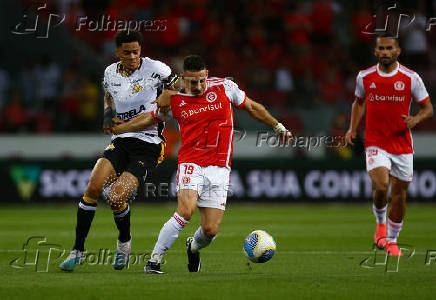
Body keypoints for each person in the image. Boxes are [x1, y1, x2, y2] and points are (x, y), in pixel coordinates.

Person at [111, 55, 292, 273]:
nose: (197, 86)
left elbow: (252, 107)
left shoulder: (225, 87)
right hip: (191, 162)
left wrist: (277, 126)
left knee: (210, 230)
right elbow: (150, 118)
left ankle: (193, 248)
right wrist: (123, 128)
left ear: (207, 75)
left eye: (201, 81)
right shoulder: (173, 98)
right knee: (185, 212)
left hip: (220, 167)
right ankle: (154, 260)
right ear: (183, 79)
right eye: (191, 82)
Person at [60, 30, 179, 271]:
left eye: (136, 51)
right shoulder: (109, 72)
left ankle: (124, 243)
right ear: (117, 53)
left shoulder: (156, 68)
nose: (133, 56)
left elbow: (179, 85)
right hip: (122, 141)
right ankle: (78, 251)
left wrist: (169, 96)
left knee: (116, 197)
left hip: (149, 145)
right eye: (127, 52)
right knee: (93, 187)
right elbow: (108, 96)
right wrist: (107, 117)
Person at [345, 33, 433, 256]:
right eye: (381, 48)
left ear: (398, 51)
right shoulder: (364, 77)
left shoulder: (411, 78)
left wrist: (416, 119)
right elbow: (358, 103)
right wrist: (353, 128)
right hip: (375, 142)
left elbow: (428, 108)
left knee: (400, 196)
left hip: (402, 145)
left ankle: (392, 240)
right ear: (375, 52)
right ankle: (380, 226)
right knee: (382, 186)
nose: (384, 52)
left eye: (389, 48)